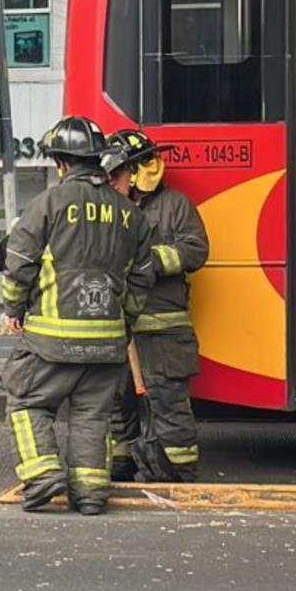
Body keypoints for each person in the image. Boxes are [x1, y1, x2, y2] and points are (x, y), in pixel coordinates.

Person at [0, 116, 156, 515]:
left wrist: (14, 309)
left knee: (26, 402)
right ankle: (89, 494)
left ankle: (42, 474)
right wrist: (124, 324)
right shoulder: (129, 213)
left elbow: (18, 264)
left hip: (50, 341)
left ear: (61, 163)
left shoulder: (47, 204)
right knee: (91, 415)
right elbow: (142, 278)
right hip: (108, 343)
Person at [103, 129, 209, 483]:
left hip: (162, 331)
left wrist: (146, 261)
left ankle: (178, 470)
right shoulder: (107, 207)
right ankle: (122, 464)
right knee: (117, 402)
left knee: (168, 402)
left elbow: (195, 250)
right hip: (118, 328)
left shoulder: (174, 205)